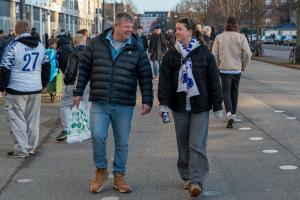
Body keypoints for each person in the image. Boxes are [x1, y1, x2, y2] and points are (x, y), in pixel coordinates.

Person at [73, 12, 153, 194]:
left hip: (124, 103)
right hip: (100, 101)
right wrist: (78, 92)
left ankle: (119, 175)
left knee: (122, 142)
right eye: (127, 28)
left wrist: (147, 100)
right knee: (98, 136)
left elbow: (145, 76)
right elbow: (84, 68)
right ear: (116, 26)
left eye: (131, 28)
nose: (130, 31)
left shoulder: (137, 47)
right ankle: (101, 170)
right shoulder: (96, 43)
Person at [158, 17, 223, 198]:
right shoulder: (171, 55)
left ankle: (196, 181)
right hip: (179, 106)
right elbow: (164, 82)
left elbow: (213, 81)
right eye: (176, 29)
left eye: (180, 29)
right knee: (182, 144)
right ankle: (186, 175)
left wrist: (218, 105)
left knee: (197, 145)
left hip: (200, 107)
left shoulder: (204, 53)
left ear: (190, 31)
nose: (176, 31)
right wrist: (163, 104)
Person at [0, 20, 50, 158]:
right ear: (29, 30)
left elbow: (4, 68)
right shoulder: (40, 46)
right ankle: (30, 148)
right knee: (32, 120)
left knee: (17, 120)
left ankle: (21, 150)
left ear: (16, 31)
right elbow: (47, 66)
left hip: (16, 88)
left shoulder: (13, 45)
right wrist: (44, 84)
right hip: (35, 88)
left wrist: (3, 87)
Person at [212, 17, 252, 128]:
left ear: (226, 24)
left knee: (226, 91)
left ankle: (229, 113)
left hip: (224, 68)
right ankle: (233, 114)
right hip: (236, 69)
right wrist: (243, 65)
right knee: (234, 91)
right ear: (236, 25)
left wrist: (216, 67)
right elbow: (248, 54)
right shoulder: (241, 37)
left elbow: (213, 54)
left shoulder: (219, 37)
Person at [56, 33, 90, 142]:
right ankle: (84, 129)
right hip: (88, 83)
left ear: (74, 43)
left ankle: (66, 129)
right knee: (84, 105)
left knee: (65, 105)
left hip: (74, 83)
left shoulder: (74, 54)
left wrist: (66, 81)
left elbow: (70, 71)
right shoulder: (91, 54)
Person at [46, 38, 59, 103]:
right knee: (53, 82)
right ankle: (52, 94)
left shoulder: (47, 51)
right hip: (53, 68)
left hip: (53, 69)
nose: (56, 45)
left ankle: (53, 94)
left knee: (52, 82)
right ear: (51, 45)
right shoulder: (51, 51)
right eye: (54, 44)